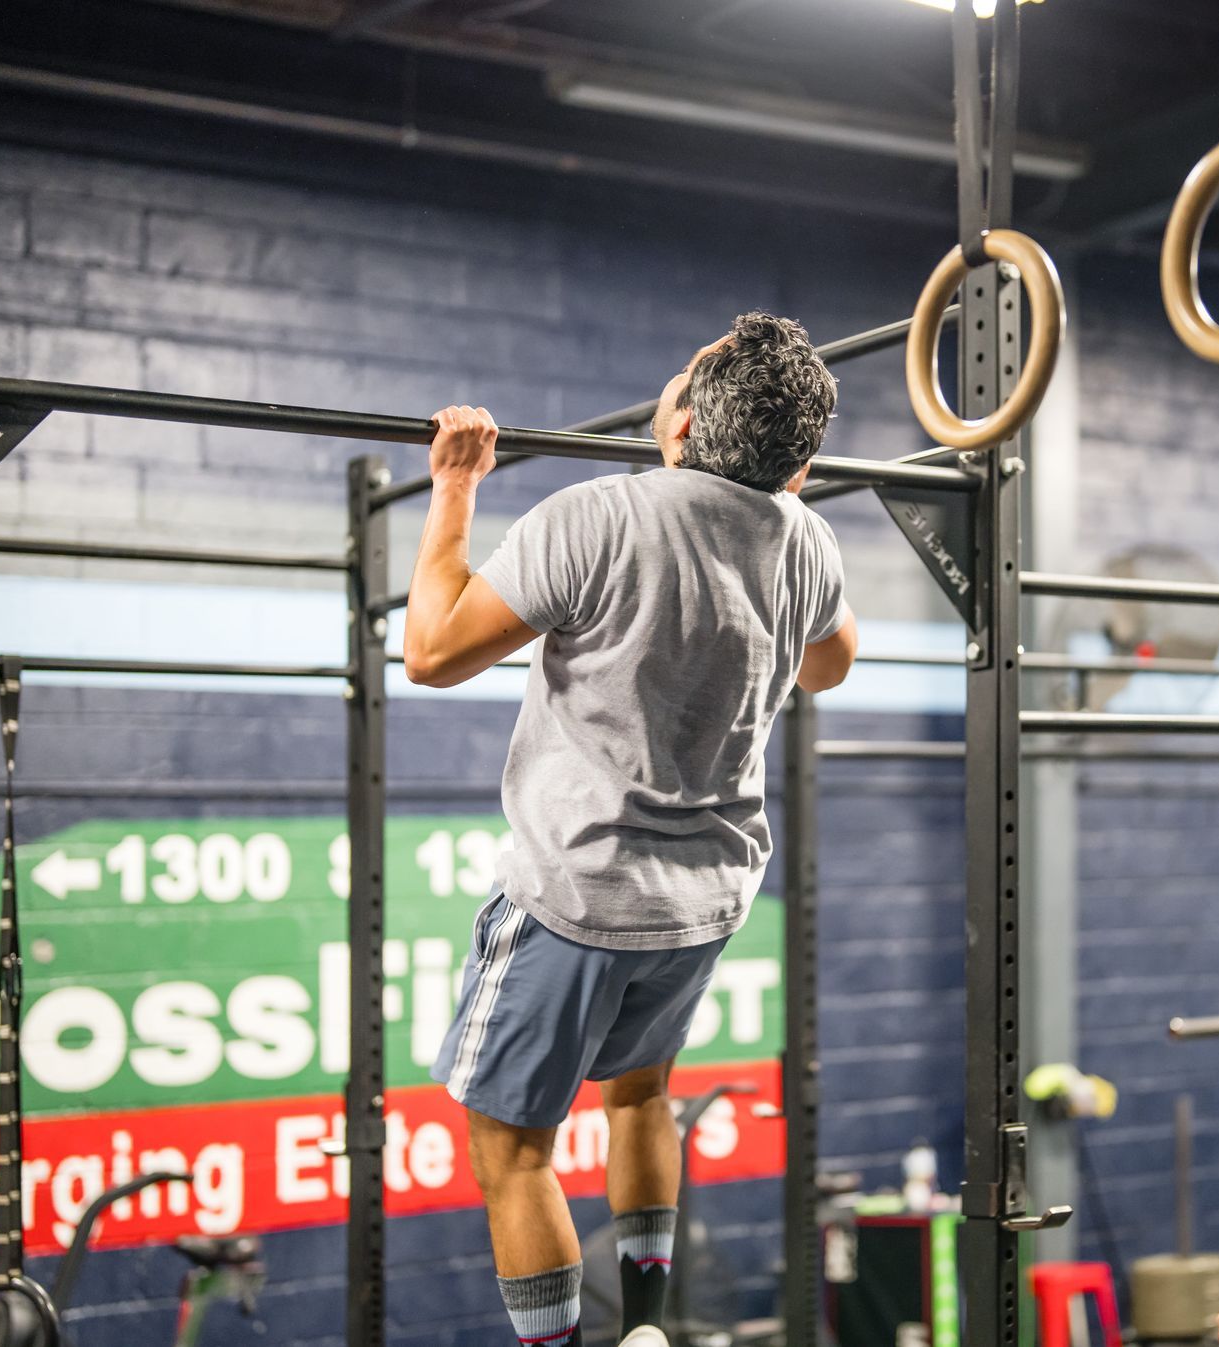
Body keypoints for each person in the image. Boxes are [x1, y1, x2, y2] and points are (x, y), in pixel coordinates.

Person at [402, 312, 857, 1347]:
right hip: (700, 902)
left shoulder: (599, 515)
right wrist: (777, 518)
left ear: (684, 419)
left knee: (512, 1149)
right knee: (640, 1099)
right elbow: (829, 663)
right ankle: (646, 1328)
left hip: (577, 897)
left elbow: (429, 653)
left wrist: (457, 485)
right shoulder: (807, 540)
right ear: (801, 460)